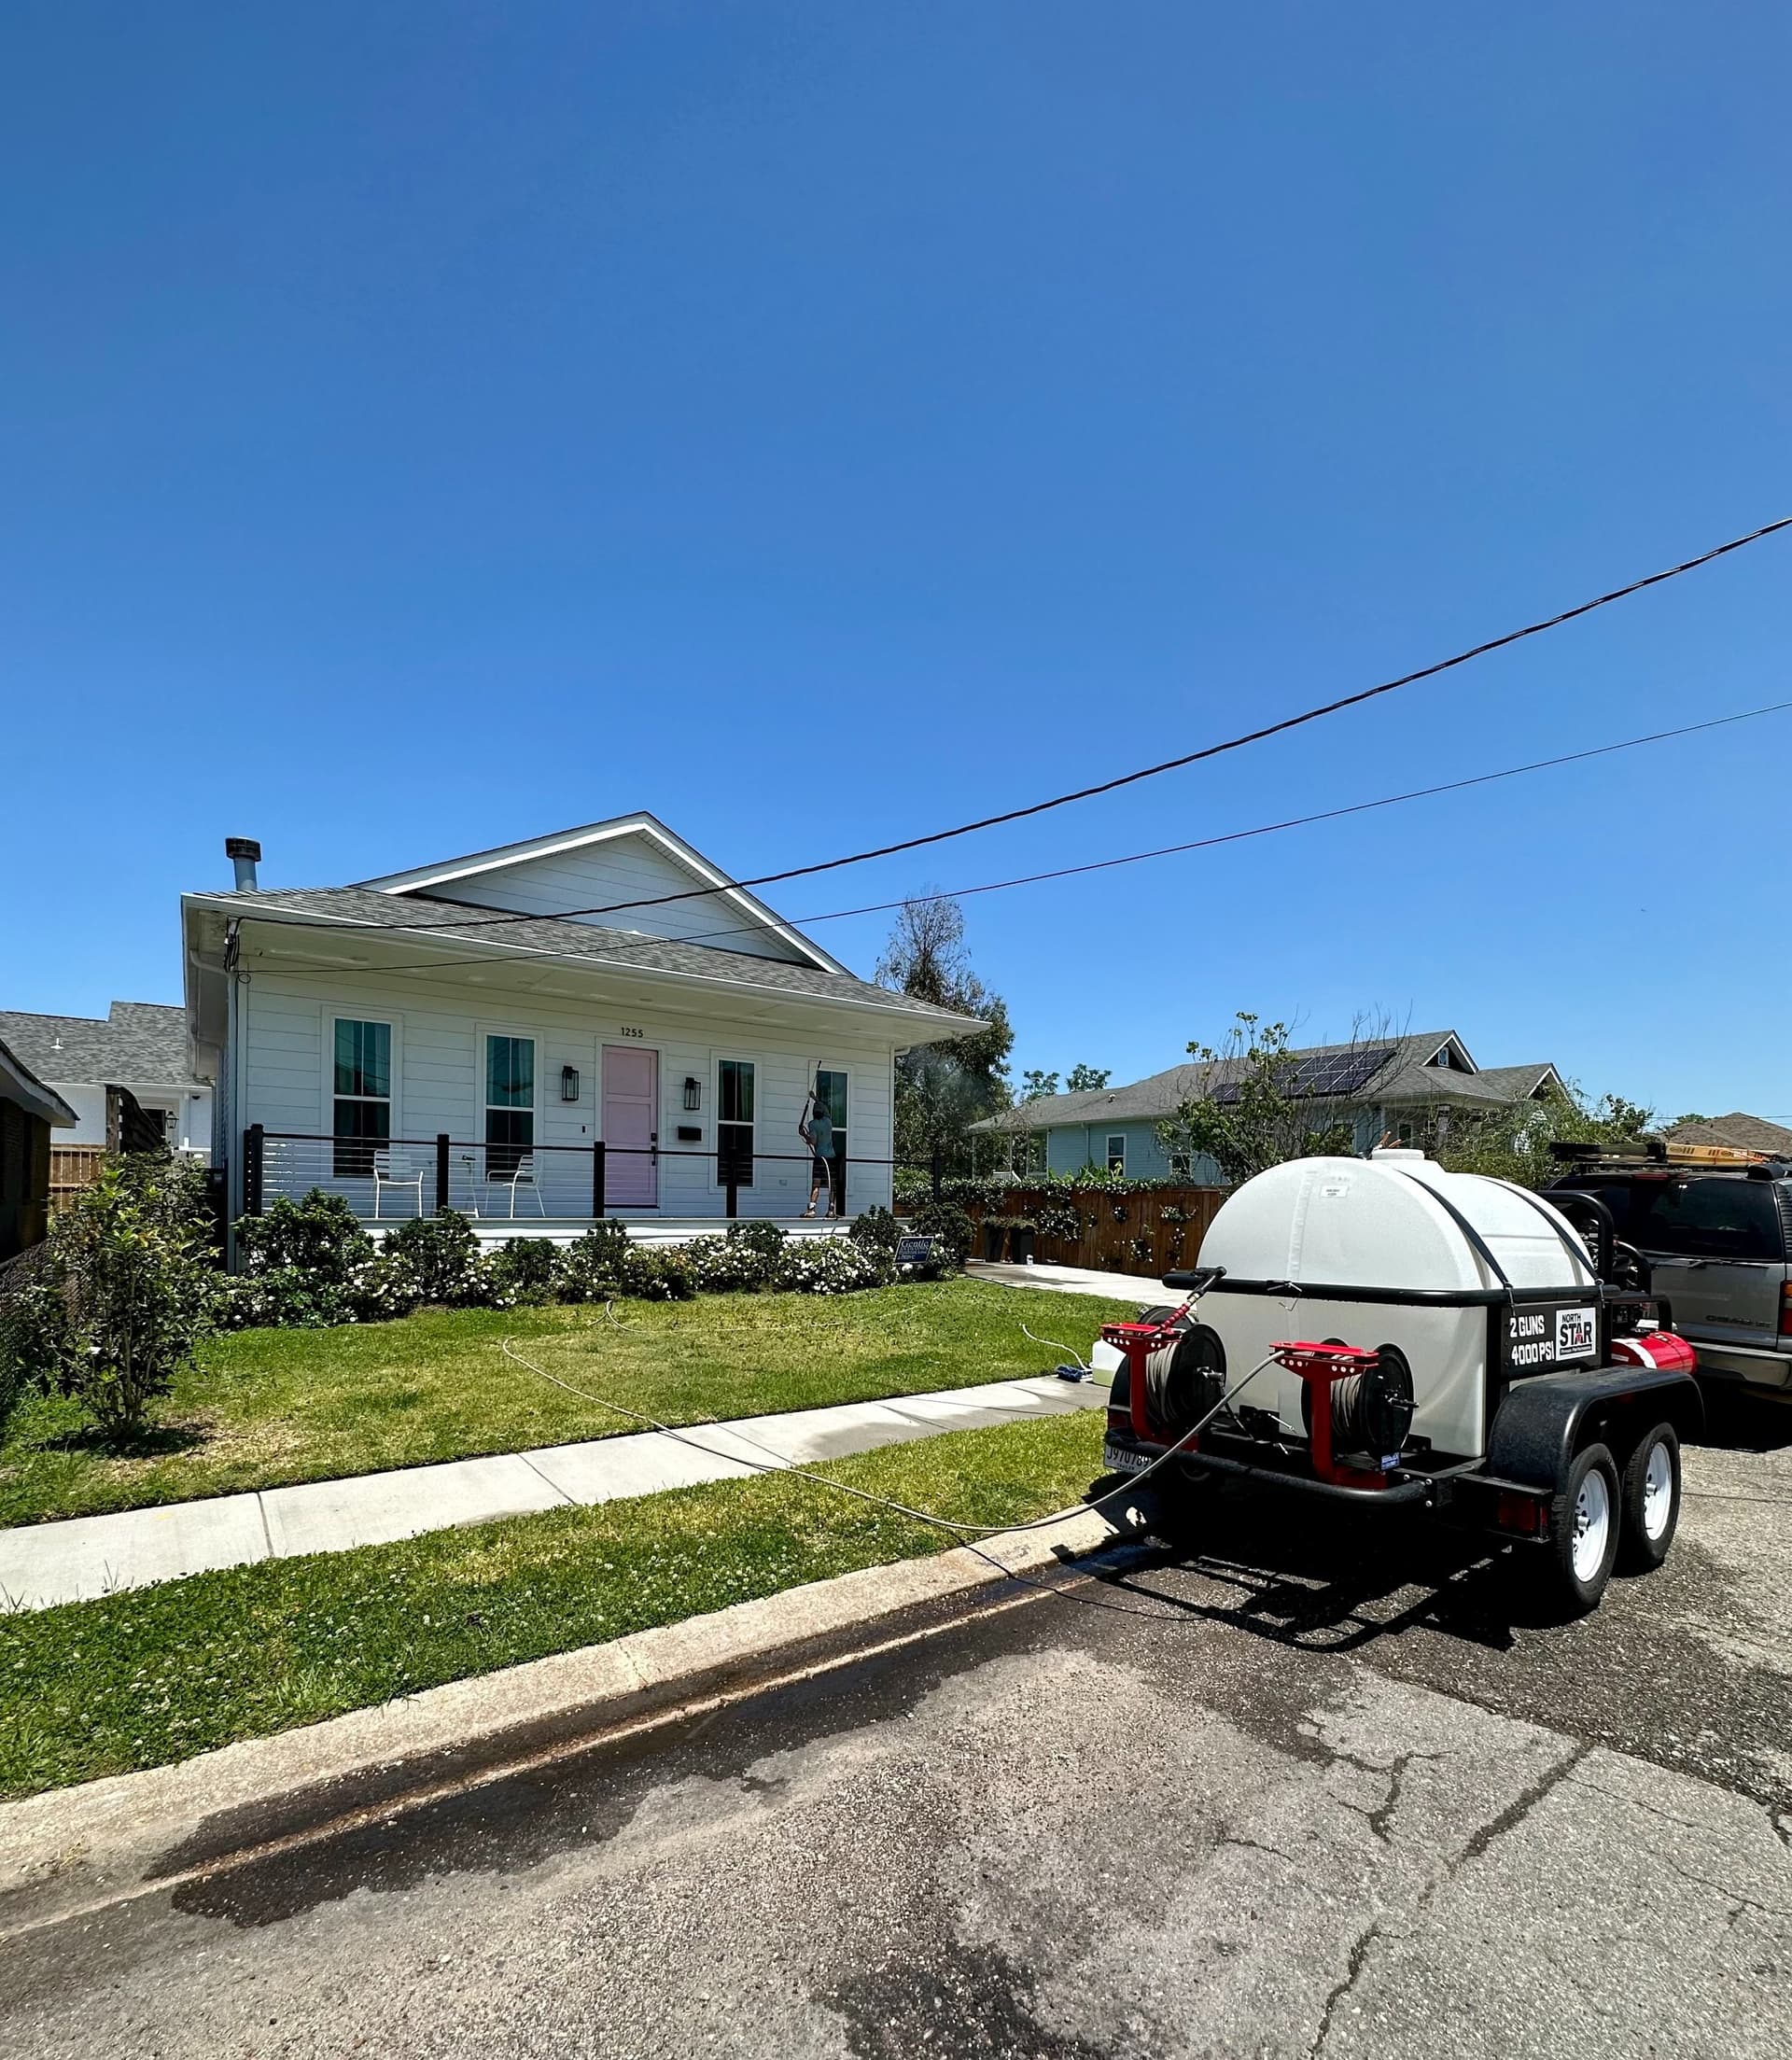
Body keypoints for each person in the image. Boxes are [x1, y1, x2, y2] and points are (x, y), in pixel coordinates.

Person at [800, 1085, 834, 1217]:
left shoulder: (813, 1124)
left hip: (820, 1158)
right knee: (832, 1184)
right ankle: (831, 1210)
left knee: (816, 1184)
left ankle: (812, 1210)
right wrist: (815, 1098)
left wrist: (803, 1134)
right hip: (832, 1157)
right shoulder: (828, 1121)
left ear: (814, 1113)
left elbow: (813, 1141)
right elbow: (823, 1106)